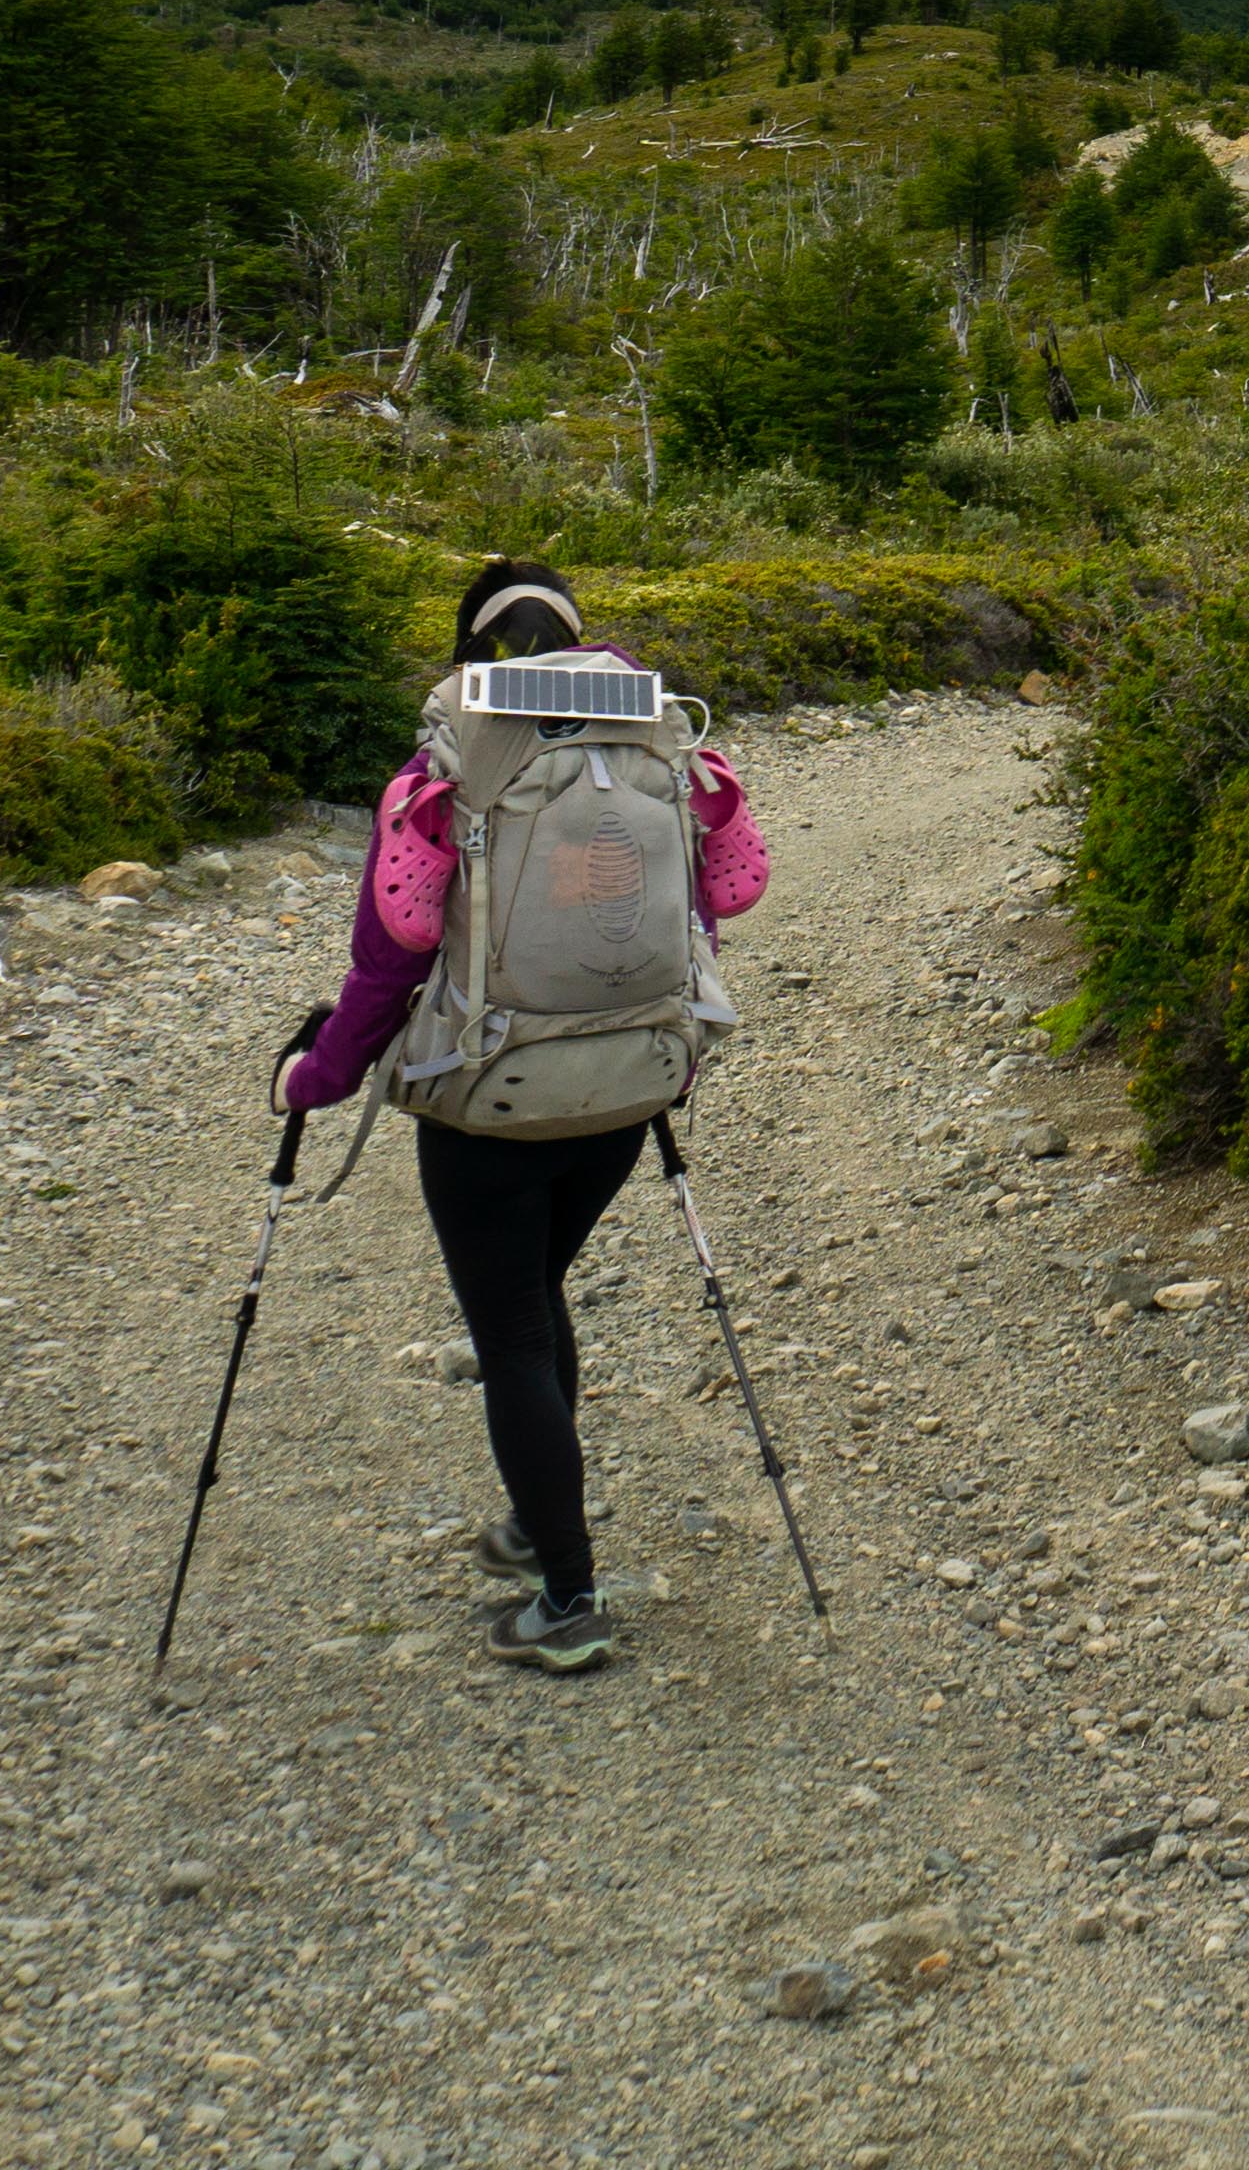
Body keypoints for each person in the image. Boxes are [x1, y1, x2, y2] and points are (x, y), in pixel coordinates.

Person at [277, 557, 764, 1673]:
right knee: (536, 1301)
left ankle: (568, 1597)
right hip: (631, 1087)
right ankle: (534, 1522)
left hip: (486, 1104)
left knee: (512, 1335)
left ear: (473, 655)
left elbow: (386, 957)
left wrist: (315, 1080)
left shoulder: (445, 771)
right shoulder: (670, 748)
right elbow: (733, 890)